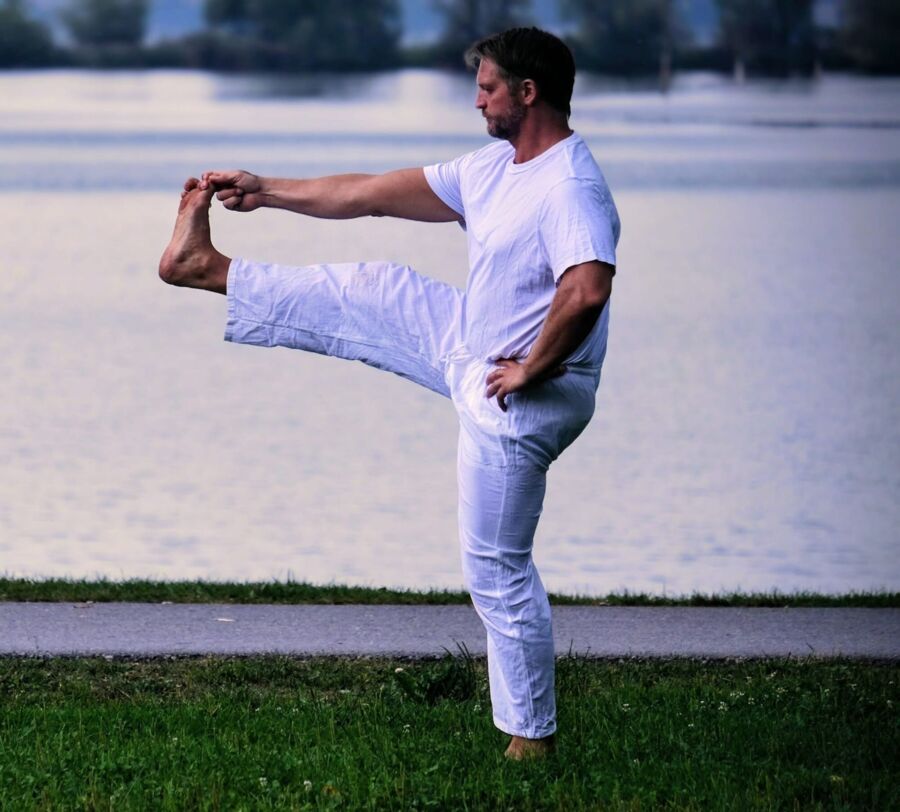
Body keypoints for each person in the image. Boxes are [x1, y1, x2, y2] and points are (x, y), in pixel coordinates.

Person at [159, 27, 620, 761]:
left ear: (528, 94)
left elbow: (588, 288)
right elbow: (371, 194)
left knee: (495, 571)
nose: (477, 100)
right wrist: (267, 190)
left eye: (488, 88)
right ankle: (204, 266)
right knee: (372, 289)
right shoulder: (498, 168)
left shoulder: (570, 186)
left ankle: (530, 743)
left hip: (519, 399)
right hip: (472, 348)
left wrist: (532, 369)